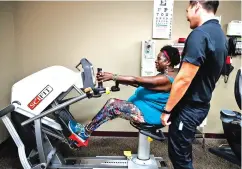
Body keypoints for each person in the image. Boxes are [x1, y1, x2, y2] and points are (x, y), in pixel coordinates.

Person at [160, 1, 228, 169]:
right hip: (200, 105)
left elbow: (183, 79)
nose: (186, 15)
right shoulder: (220, 35)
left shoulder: (200, 34)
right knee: (183, 152)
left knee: (179, 157)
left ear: (197, 5)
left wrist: (167, 110)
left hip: (189, 108)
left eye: (187, 10)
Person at [68, 45, 180, 143]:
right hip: (146, 110)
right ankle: (86, 129)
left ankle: (84, 133)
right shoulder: (163, 75)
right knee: (112, 108)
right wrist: (118, 81)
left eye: (158, 59)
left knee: (113, 104)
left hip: (151, 116)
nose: (155, 61)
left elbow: (136, 80)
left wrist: (113, 76)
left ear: (168, 62)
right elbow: (140, 84)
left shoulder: (165, 79)